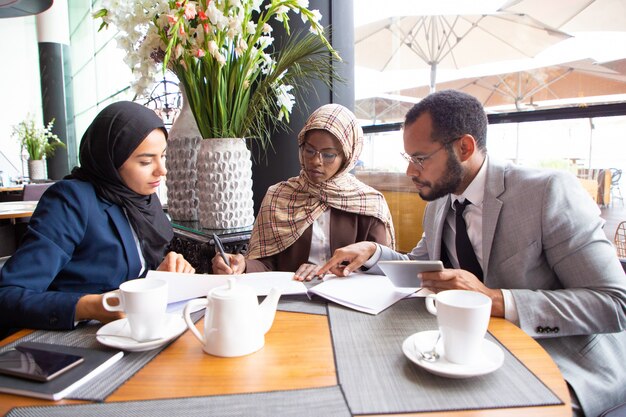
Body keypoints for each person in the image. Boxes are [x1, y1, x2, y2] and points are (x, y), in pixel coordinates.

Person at [317, 90, 626, 417]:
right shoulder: (439, 202)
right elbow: (423, 266)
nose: (410, 171)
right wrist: (373, 252)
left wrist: (495, 299)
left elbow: (614, 302)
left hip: (561, 359)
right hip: (473, 349)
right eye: (408, 158)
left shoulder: (547, 192)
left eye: (419, 158)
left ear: (464, 148)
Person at [0, 101, 195, 338]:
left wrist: (160, 275)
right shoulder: (72, 201)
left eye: (163, 156)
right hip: (71, 339)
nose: (161, 170)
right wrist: (90, 306)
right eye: (145, 161)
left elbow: (130, 273)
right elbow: (8, 294)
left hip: (132, 335)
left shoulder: (143, 200)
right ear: (111, 159)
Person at [212, 103, 395, 280]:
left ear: (347, 156)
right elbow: (266, 266)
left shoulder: (369, 203)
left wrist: (327, 273)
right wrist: (243, 265)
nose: (316, 161)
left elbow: (381, 270)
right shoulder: (278, 197)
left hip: (348, 305)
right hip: (288, 300)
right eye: (309, 150)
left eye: (328, 154)